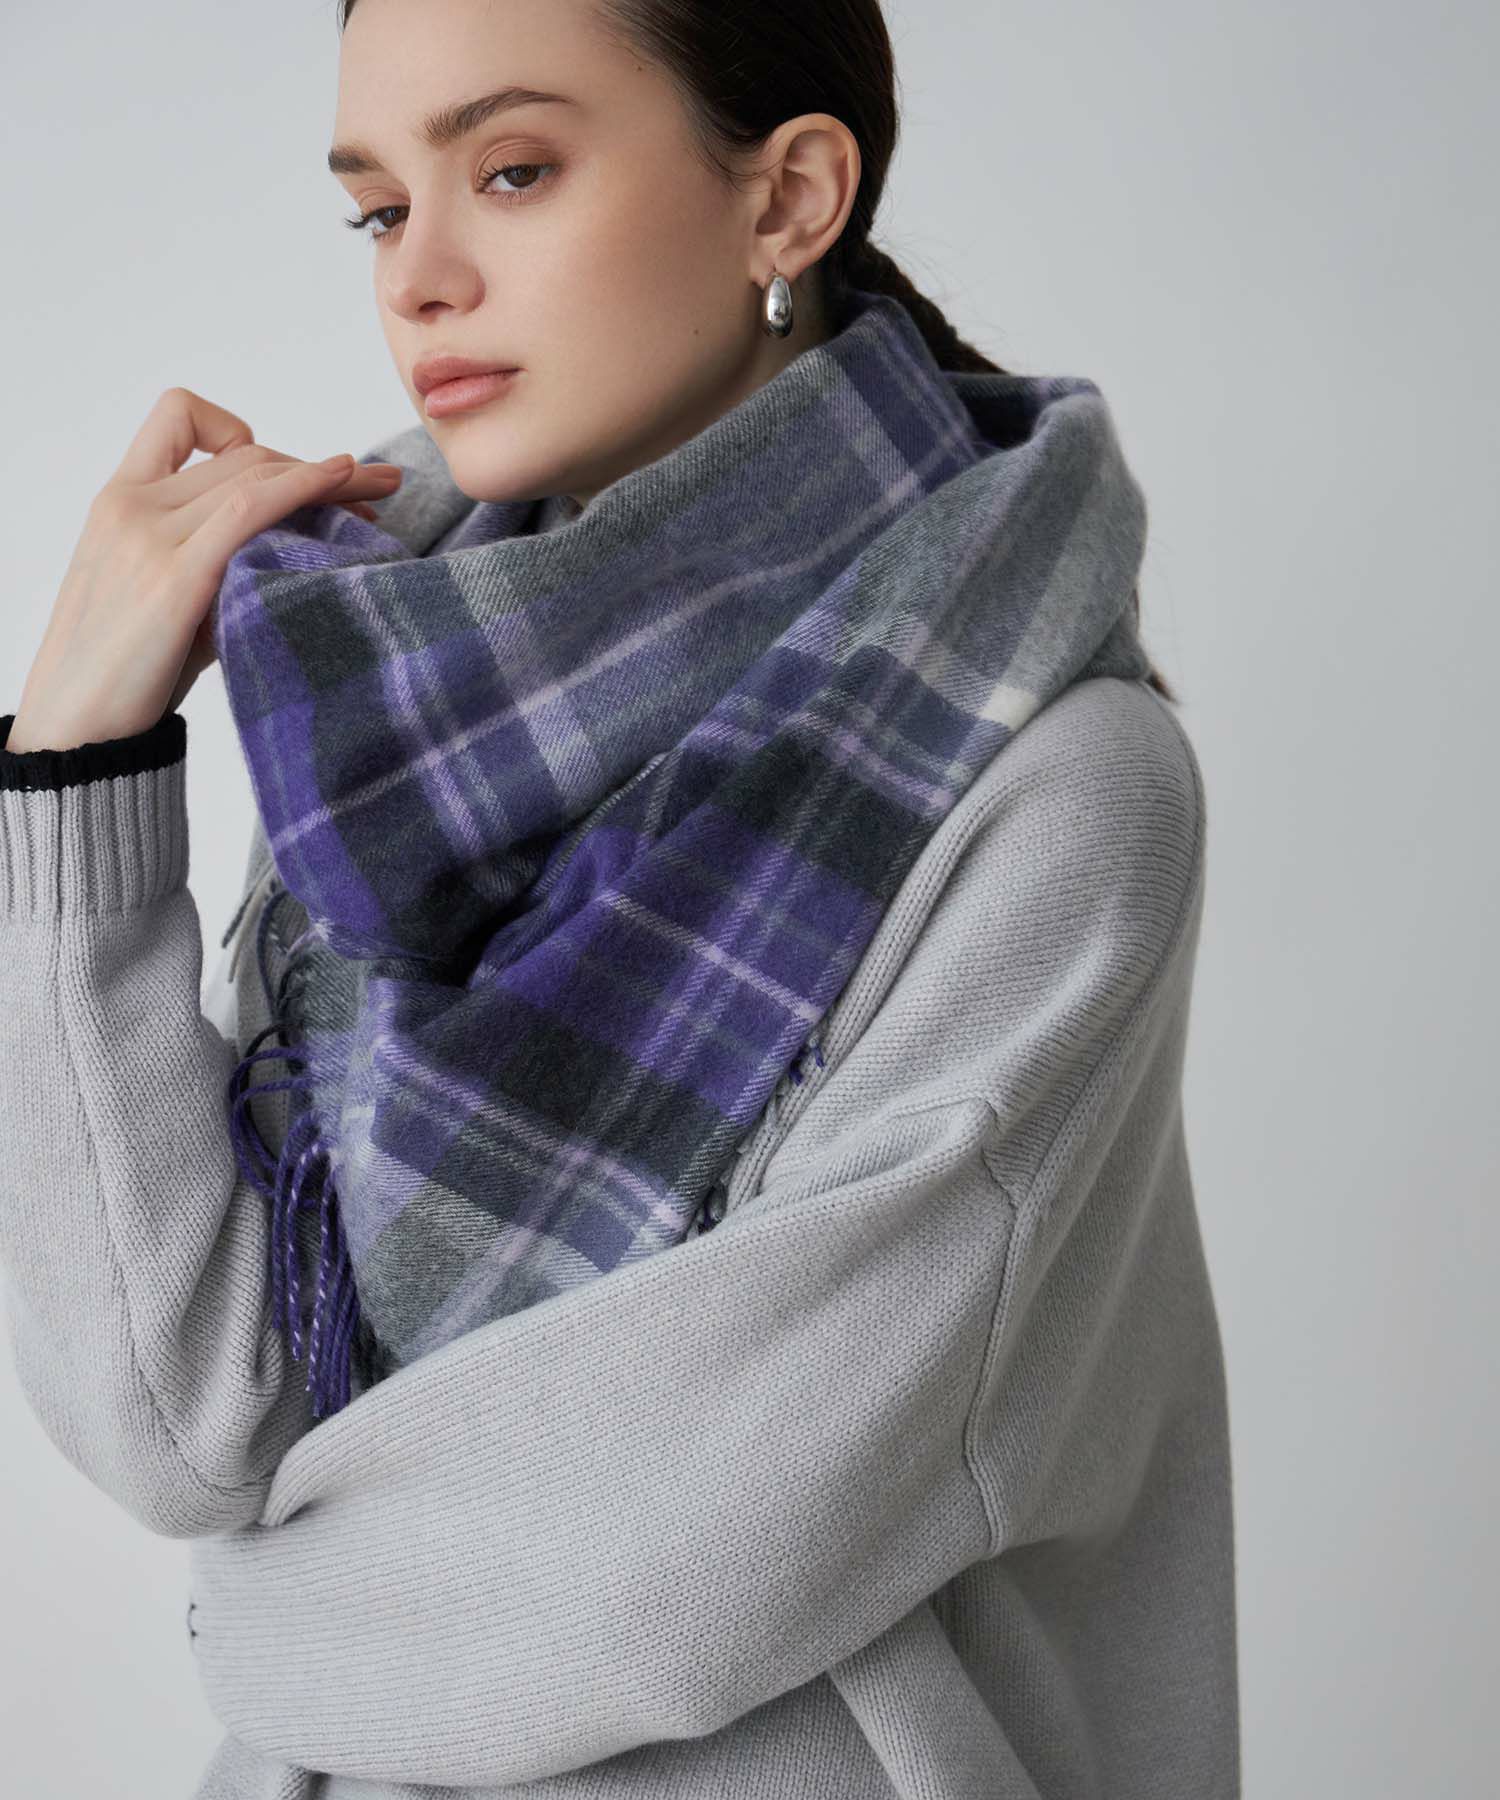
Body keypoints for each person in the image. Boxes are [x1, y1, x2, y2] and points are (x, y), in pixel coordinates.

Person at [0, 2, 1238, 1796]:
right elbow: (186, 1429)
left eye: (511, 172)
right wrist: (73, 768)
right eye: (378, 206)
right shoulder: (387, 724)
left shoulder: (1057, 790)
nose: (417, 276)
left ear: (788, 197)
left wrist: (257, 1637)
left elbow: (646, 1582)